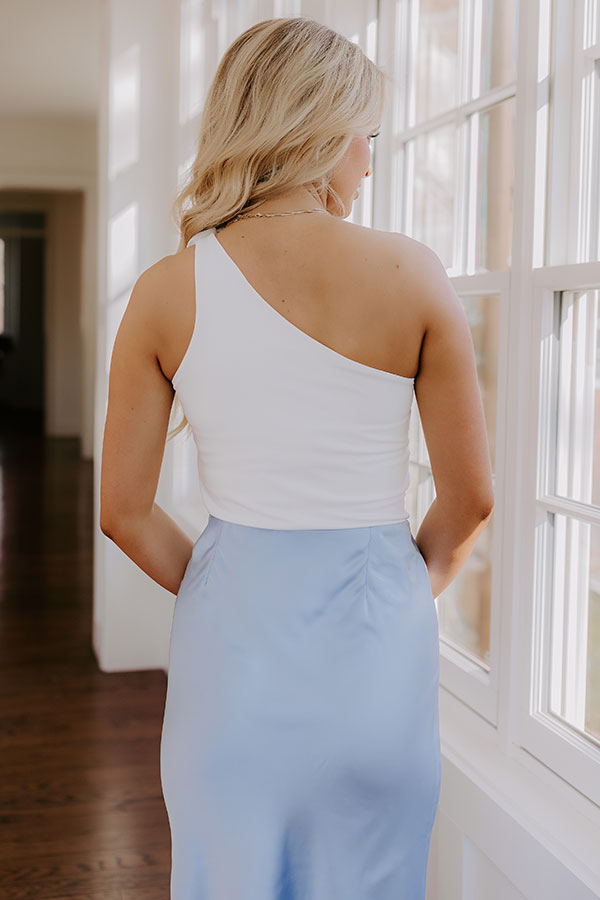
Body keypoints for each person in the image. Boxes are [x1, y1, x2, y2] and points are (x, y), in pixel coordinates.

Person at [100, 15, 494, 900]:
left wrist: (226, 579)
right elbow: (470, 500)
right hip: (377, 659)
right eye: (368, 136)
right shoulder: (414, 275)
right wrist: (392, 589)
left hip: (231, 665)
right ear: (319, 126)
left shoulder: (167, 291)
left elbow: (122, 513)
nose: (369, 160)